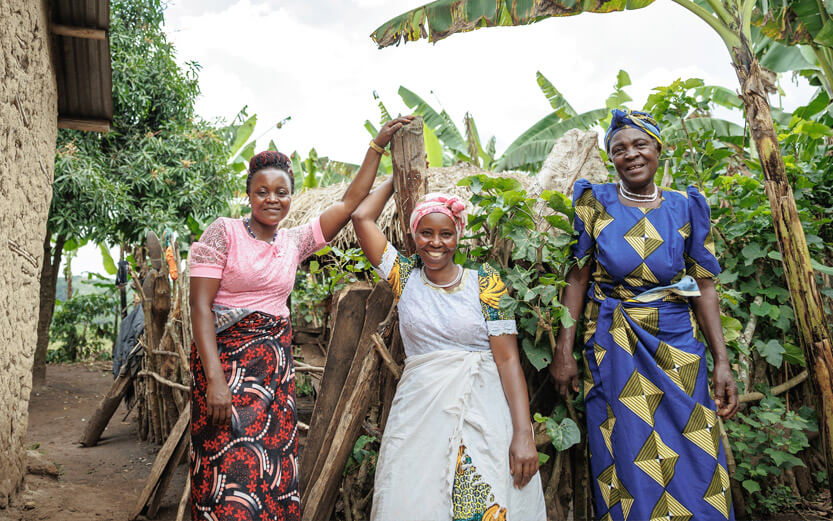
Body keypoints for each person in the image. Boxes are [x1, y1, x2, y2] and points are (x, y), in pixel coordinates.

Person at [187, 116, 413, 521]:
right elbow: (200, 309)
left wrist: (382, 153)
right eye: (262, 191)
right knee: (227, 470)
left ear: (291, 195)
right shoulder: (223, 234)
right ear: (249, 194)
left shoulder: (294, 243)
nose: (272, 199)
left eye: (281, 192)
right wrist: (216, 381)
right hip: (224, 371)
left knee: (270, 471)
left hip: (272, 378)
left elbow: (348, 204)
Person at [548, 109, 739, 521]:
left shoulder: (685, 207)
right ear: (611, 158)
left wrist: (722, 360)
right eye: (619, 150)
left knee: (695, 449)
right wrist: (564, 349)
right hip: (615, 345)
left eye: (640, 145)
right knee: (628, 453)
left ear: (658, 150)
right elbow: (577, 280)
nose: (630, 155)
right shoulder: (594, 202)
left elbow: (703, 284)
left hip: (677, 348)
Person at [351, 182, 547, 521]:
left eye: (446, 233)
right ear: (414, 235)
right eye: (426, 233)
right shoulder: (404, 276)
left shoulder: (486, 282)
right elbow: (360, 216)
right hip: (418, 419)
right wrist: (391, 169)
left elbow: (508, 359)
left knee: (483, 501)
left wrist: (523, 434)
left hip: (482, 416)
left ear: (458, 236)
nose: (436, 243)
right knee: (411, 503)